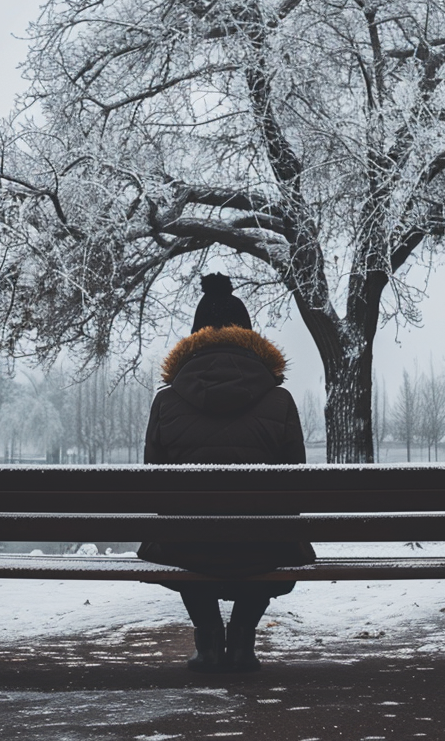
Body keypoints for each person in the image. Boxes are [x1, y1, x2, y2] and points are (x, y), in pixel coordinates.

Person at [138, 273, 315, 673]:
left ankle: (209, 640)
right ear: (249, 336)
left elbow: (155, 485)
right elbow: (295, 486)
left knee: (174, 538)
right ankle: (241, 643)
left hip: (188, 546)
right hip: (263, 545)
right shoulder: (280, 399)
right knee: (278, 536)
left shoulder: (167, 402)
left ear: (193, 338)